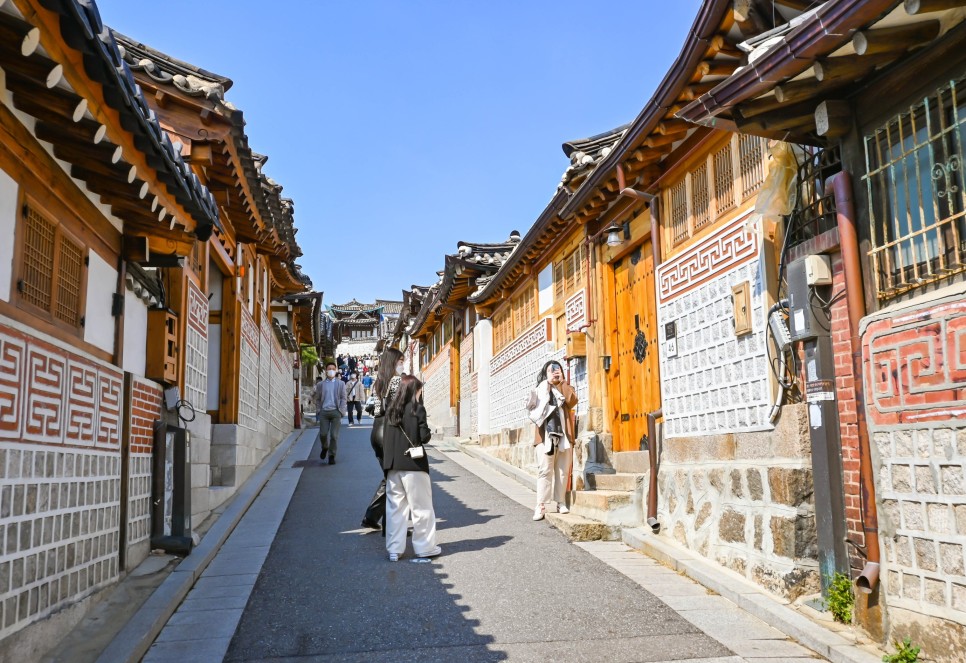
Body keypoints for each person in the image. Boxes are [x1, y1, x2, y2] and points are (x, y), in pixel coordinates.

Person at [383, 374, 440, 561]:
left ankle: (394, 550)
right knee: (421, 508)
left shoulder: (391, 410)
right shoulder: (417, 409)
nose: (420, 394)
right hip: (414, 466)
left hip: (393, 466)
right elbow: (424, 437)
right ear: (413, 391)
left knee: (395, 510)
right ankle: (425, 548)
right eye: (419, 390)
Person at [525, 360, 578, 521]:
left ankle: (560, 502)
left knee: (562, 471)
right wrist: (548, 385)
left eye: (557, 370)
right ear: (545, 373)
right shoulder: (540, 390)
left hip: (564, 437)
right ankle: (540, 505)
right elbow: (533, 409)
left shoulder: (565, 387)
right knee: (545, 471)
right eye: (551, 370)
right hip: (544, 437)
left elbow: (572, 400)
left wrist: (561, 382)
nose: (554, 372)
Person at [360, 348, 404, 531]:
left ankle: (372, 517)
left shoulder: (379, 382)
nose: (403, 364)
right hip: (389, 432)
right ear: (394, 361)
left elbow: (377, 410)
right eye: (401, 360)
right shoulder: (396, 381)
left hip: (376, 431)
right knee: (395, 479)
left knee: (390, 477)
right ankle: (390, 525)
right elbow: (397, 410)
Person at [315, 361, 347, 464]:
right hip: (324, 412)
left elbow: (343, 398)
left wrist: (341, 411)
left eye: (333, 369)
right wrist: (318, 410)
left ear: (336, 370)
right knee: (323, 434)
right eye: (329, 369)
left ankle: (331, 455)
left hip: (336, 412)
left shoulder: (341, 383)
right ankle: (325, 447)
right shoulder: (320, 385)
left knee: (334, 436)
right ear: (326, 371)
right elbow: (318, 399)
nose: (331, 371)